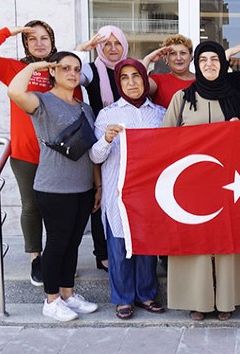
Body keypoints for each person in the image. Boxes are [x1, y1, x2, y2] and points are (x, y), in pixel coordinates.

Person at [161, 41, 240, 321]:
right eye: (204, 60)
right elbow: (164, 141)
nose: (210, 65)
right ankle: (197, 300)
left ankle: (228, 299)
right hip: (193, 182)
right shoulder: (183, 98)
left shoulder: (237, 98)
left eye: (215, 59)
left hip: (231, 182)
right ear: (197, 64)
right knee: (197, 241)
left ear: (223, 64)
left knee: (228, 240)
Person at [7, 51, 98, 321]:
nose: (72, 73)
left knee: (72, 244)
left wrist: (98, 185)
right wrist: (36, 65)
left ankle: (68, 295)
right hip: (53, 187)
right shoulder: (42, 102)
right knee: (57, 244)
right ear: (53, 72)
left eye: (76, 69)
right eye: (65, 68)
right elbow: (14, 90)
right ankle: (51, 299)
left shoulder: (85, 107)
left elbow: (91, 150)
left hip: (83, 187)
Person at [0, 20, 60, 287]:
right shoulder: (14, 68)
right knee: (31, 206)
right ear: (25, 43)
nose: (39, 43)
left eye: (44, 38)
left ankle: (58, 257)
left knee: (58, 209)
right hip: (26, 154)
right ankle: (36, 257)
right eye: (32, 39)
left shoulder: (62, 67)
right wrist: (7, 32)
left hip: (60, 155)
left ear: (52, 40)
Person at [89, 59, 166, 320]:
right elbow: (95, 157)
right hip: (118, 192)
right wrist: (107, 139)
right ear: (118, 82)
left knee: (146, 246)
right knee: (119, 245)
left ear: (145, 80)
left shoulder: (160, 113)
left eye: (136, 76)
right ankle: (122, 298)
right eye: (124, 78)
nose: (131, 82)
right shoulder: (107, 114)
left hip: (149, 193)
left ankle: (146, 294)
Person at [75, 25, 131, 272]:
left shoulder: (130, 70)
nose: (112, 48)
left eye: (117, 42)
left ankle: (129, 244)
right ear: (98, 47)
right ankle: (102, 252)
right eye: (106, 43)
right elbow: (69, 71)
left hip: (126, 139)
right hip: (100, 138)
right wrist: (80, 50)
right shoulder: (91, 70)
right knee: (100, 195)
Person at [141, 34, 195, 108]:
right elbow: (138, 85)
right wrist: (147, 59)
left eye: (183, 53)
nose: (178, 58)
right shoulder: (158, 80)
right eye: (173, 53)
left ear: (191, 56)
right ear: (166, 58)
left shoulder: (201, 80)